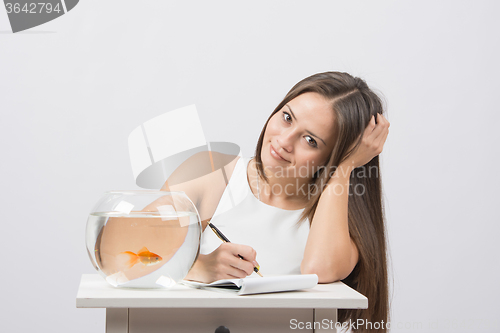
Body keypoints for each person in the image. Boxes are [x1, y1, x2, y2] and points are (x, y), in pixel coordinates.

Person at [165, 71, 390, 331]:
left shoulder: (335, 221)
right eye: (287, 117)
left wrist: (345, 166)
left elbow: (320, 268)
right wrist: (197, 268)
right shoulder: (211, 173)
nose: (283, 141)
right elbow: (122, 251)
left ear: (332, 157)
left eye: (310, 140)